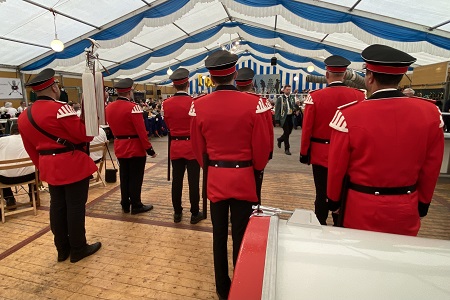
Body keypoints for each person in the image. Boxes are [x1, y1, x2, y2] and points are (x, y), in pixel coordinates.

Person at [327, 44, 444, 236]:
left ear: (370, 77)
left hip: (360, 208)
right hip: (406, 207)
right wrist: (423, 204)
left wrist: (334, 201)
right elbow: (431, 167)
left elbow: (337, 167)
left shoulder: (348, 115)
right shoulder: (431, 114)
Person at [190, 50, 272, 299]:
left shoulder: (198, 105)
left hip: (216, 177)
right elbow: (262, 148)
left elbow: (197, 149)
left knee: (218, 235)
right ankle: (240, 284)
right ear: (235, 74)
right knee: (240, 234)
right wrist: (255, 169)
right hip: (244, 177)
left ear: (211, 78)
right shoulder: (254, 104)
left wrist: (212, 167)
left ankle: (221, 287)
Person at [18, 68, 101, 262]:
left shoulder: (24, 116)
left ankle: (62, 249)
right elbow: (86, 135)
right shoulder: (61, 109)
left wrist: (42, 166)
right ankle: (78, 248)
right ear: (54, 87)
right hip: (71, 164)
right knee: (75, 207)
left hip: (48, 165)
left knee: (57, 207)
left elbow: (30, 148)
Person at [300, 55, 365, 226]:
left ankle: (320, 223)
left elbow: (307, 128)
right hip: (349, 153)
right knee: (343, 192)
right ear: (344, 75)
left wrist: (304, 152)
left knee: (321, 193)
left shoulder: (315, 96)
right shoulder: (359, 96)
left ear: (327, 74)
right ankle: (340, 223)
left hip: (321, 152)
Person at [105, 78, 156, 215]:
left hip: (119, 146)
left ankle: (125, 203)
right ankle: (136, 204)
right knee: (135, 177)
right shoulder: (133, 107)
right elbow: (141, 131)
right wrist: (149, 149)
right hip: (134, 147)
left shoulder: (109, 107)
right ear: (129, 91)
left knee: (124, 176)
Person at [162, 68, 203, 224]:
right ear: (187, 84)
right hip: (192, 146)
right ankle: (194, 213)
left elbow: (167, 125)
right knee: (193, 182)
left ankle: (177, 212)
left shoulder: (166, 104)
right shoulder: (194, 103)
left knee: (176, 181)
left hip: (175, 146)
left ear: (174, 86)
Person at [235, 67, 274, 203]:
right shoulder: (261, 103)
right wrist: (268, 154)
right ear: (252, 83)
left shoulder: (232, 102)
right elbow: (268, 133)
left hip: (233, 157)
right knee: (255, 192)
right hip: (254, 157)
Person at [0, 123, 36, 209]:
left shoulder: (2, 140)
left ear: (10, 131)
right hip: (31, 176)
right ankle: (33, 194)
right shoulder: (29, 139)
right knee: (35, 168)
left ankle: (9, 198)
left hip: (6, 179)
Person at [275, 84, 296, 155]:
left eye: (289, 89)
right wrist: (277, 120)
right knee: (286, 132)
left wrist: (295, 110)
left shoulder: (292, 97)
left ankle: (280, 139)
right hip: (283, 118)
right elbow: (277, 110)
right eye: (287, 89)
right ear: (284, 90)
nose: (288, 91)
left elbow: (293, 106)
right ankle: (287, 148)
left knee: (289, 132)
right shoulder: (280, 98)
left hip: (291, 116)